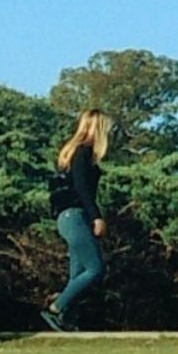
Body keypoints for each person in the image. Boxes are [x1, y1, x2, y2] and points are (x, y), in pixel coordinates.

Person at [42, 110, 111, 332]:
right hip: (75, 216)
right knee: (95, 268)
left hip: (69, 217)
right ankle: (57, 307)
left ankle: (67, 319)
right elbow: (82, 188)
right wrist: (96, 216)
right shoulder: (83, 152)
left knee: (78, 273)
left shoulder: (73, 153)